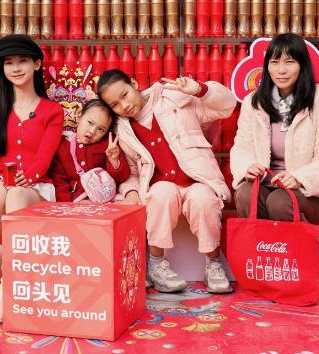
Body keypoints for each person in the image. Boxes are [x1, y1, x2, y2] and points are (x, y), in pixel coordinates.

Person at [97, 70, 236, 294]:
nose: (124, 105)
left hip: (197, 180)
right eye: (115, 105)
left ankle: (213, 263)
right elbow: (132, 171)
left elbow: (226, 106)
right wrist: (131, 190)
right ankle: (156, 264)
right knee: (161, 194)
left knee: (203, 200)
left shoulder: (173, 98)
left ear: (134, 83)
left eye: (124, 95)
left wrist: (200, 90)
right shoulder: (123, 130)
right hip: (161, 185)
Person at [0, 34, 64, 324]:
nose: (15, 68)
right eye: (8, 63)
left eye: (22, 61)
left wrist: (26, 176)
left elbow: (43, 160)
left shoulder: (52, 111)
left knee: (15, 193)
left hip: (35, 187)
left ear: (37, 64)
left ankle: (10, 286)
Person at [230, 33, 319, 224]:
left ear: (302, 65)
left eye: (289, 62)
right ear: (267, 66)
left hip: (308, 193)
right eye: (274, 62)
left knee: (279, 202)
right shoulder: (254, 102)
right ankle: (258, 245)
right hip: (266, 184)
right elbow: (242, 147)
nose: (281, 70)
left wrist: (299, 178)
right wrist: (247, 167)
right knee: (245, 195)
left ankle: (289, 245)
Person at [50, 98, 131, 203]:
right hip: (79, 200)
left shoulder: (108, 145)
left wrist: (114, 160)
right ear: (79, 116)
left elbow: (122, 177)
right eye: (90, 122)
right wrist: (65, 205)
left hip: (106, 199)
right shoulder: (63, 145)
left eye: (100, 129)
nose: (92, 131)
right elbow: (59, 180)